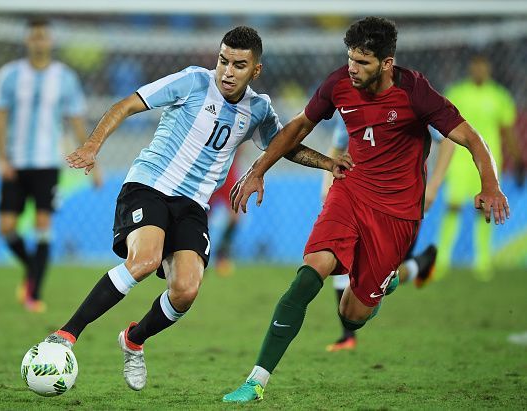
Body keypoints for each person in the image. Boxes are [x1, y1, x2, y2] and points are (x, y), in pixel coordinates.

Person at [223, 17, 510, 403]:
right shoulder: (339, 83)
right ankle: (256, 380)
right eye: (350, 59)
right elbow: (298, 126)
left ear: (387, 63)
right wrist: (258, 170)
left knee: (351, 315)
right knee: (309, 277)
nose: (352, 69)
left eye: (363, 63)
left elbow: (471, 138)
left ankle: (395, 276)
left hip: (396, 216)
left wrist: (490, 185)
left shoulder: (416, 93)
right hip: (351, 191)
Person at [42, 26, 341, 392]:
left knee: (185, 290)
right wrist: (91, 145)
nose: (228, 71)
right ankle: (66, 335)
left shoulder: (258, 109)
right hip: (150, 185)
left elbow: (283, 145)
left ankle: (134, 339)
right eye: (223, 61)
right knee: (145, 260)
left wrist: (329, 163)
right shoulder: (193, 82)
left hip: (192, 205)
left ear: (256, 71)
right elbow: (127, 104)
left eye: (239, 65)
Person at [0, 18, 101, 313]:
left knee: (42, 225)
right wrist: (1, 157)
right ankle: (31, 268)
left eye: (43, 37)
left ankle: (34, 295)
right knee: (6, 227)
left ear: (50, 41)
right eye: (35, 37)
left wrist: (93, 161)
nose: (39, 41)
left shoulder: (64, 78)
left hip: (47, 164)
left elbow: (76, 119)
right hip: (15, 162)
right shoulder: (9, 75)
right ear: (28, 40)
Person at [323, 120, 454, 352]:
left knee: (388, 275)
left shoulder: (413, 98)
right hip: (360, 199)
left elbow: (448, 140)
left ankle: (419, 264)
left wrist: (433, 186)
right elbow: (337, 145)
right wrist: (327, 187)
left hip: (402, 206)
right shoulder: (352, 101)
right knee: (344, 258)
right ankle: (347, 335)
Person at [437, 54, 522, 280]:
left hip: (488, 163)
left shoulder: (499, 96)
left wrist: (518, 158)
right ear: (470, 68)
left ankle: (482, 262)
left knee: (485, 210)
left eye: (483, 67)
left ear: (489, 69)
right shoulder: (457, 93)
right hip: (459, 161)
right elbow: (443, 130)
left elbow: (507, 132)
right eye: (475, 66)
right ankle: (442, 260)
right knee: (452, 207)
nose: (479, 70)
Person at [207, 148, 243, 276]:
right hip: (207, 168)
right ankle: (196, 256)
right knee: (200, 214)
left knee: (236, 215)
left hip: (227, 169)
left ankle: (222, 255)